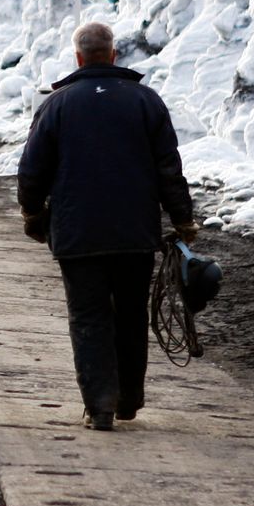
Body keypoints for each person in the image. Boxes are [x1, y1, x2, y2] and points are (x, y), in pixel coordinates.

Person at [17, 21, 197, 432]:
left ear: (78, 58)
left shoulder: (56, 105)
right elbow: (170, 169)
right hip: (135, 235)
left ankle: (99, 404)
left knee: (88, 317)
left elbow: (31, 171)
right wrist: (183, 219)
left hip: (77, 235)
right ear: (113, 55)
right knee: (131, 314)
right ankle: (129, 399)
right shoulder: (146, 101)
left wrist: (32, 214)